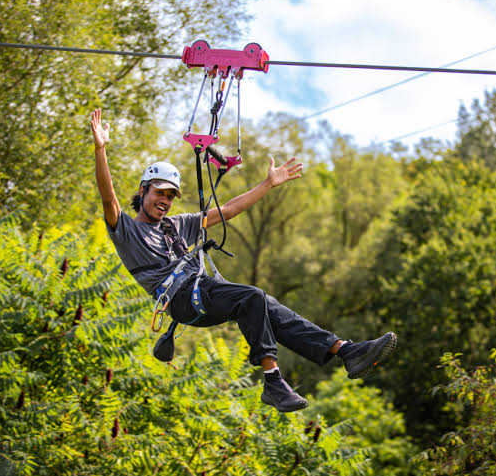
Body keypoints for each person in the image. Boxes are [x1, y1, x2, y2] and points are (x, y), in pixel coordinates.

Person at [91, 108, 397, 413]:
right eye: (160, 193)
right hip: (181, 300)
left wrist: (268, 184)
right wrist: (101, 149)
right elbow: (109, 198)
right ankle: (273, 381)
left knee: (267, 304)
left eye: (171, 196)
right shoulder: (127, 231)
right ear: (143, 190)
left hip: (203, 291)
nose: (165, 201)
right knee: (253, 298)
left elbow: (228, 210)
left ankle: (346, 351)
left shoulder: (176, 224)